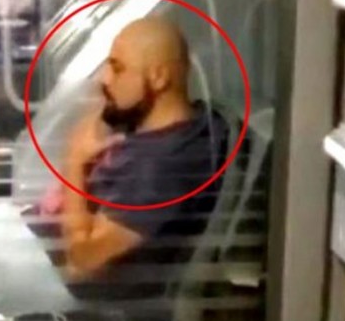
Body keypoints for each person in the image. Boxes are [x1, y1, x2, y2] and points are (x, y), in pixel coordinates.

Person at [37, 17, 229, 282]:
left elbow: (80, 266)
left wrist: (74, 161)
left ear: (158, 77)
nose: (105, 78)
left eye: (118, 68)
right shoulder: (190, 123)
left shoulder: (157, 171)